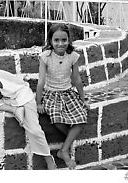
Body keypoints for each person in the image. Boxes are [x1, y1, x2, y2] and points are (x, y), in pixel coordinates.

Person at [36, 23, 88, 169]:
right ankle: (68, 143)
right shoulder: (45, 57)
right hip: (51, 93)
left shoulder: (73, 56)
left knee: (81, 118)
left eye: (64, 40)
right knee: (57, 119)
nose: (60, 44)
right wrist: (39, 103)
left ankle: (64, 150)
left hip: (68, 93)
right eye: (56, 40)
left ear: (69, 40)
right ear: (50, 41)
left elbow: (76, 79)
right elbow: (41, 82)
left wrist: (82, 98)